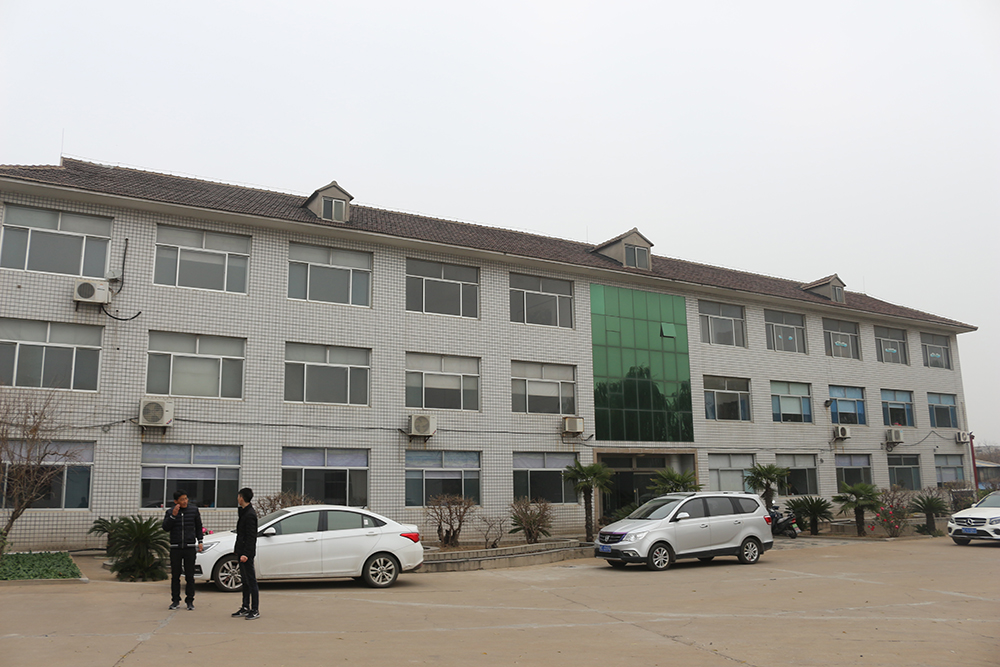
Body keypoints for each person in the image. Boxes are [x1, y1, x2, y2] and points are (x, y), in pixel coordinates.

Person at [161, 489, 203, 611]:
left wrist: (200, 541)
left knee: (190, 576)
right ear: (176, 501)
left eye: (186, 499)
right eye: (182, 499)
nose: (185, 501)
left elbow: (198, 526)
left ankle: (190, 600)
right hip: (176, 547)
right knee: (175, 576)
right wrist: (173, 516)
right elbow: (165, 528)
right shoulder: (170, 512)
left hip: (189, 547)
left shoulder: (193, 510)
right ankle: (175, 600)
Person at [232, 487, 260, 620]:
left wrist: (246, 554)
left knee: (251, 580)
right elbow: (241, 535)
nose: (237, 498)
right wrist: (237, 549)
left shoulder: (250, 515)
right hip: (241, 551)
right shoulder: (243, 512)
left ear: (241, 498)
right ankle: (245, 606)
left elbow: (251, 537)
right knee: (245, 581)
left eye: (238, 496)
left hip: (246, 554)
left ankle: (255, 609)